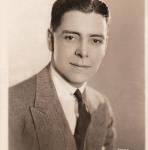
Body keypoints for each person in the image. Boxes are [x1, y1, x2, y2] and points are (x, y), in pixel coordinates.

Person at [9, 0, 116, 150]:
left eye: (95, 40)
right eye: (71, 37)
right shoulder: (9, 105)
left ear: (105, 46)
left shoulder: (102, 106)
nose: (83, 52)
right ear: (50, 39)